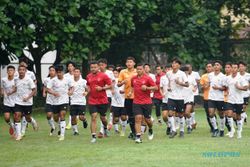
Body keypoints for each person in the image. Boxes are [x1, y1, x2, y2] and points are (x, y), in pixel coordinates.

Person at [86, 61, 112, 143]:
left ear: (98, 68)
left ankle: (105, 127)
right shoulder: (88, 76)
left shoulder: (104, 76)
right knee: (93, 117)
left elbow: (111, 85)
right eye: (91, 67)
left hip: (102, 100)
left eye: (95, 67)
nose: (93, 69)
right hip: (92, 100)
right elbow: (88, 85)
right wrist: (87, 91)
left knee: (103, 118)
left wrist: (102, 88)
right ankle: (93, 136)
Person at [131, 63, 157, 143]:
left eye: (140, 69)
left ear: (143, 70)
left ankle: (150, 128)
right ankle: (138, 137)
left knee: (147, 120)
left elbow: (156, 87)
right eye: (137, 69)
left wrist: (147, 88)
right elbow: (133, 87)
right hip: (136, 102)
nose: (138, 71)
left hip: (147, 102)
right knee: (138, 118)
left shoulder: (148, 78)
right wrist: (130, 92)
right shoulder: (133, 78)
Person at [47, 65, 73, 141]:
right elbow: (48, 89)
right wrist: (53, 93)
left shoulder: (67, 79)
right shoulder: (53, 80)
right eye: (57, 72)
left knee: (62, 115)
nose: (59, 74)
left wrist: (71, 91)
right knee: (55, 118)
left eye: (60, 72)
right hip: (55, 102)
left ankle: (62, 135)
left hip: (64, 101)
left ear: (63, 72)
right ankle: (60, 125)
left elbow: (72, 87)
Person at [223, 63, 248, 139]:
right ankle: (232, 129)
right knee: (229, 114)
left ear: (237, 69)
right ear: (231, 69)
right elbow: (225, 86)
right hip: (230, 100)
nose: (233, 69)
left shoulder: (241, 78)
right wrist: (226, 91)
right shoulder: (227, 78)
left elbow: (246, 88)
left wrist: (239, 87)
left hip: (239, 100)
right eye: (232, 67)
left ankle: (239, 131)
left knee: (238, 116)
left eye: (235, 67)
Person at [13, 65, 38, 141]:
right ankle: (19, 135)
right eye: (20, 70)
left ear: (25, 71)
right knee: (17, 116)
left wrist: (27, 97)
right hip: (18, 101)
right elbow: (16, 88)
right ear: (18, 71)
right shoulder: (16, 79)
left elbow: (34, 90)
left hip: (28, 102)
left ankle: (32, 121)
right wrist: (11, 91)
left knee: (27, 118)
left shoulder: (29, 79)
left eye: (23, 70)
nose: (21, 71)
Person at [166, 58, 189, 138]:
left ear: (179, 65)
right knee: (170, 113)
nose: (173, 65)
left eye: (175, 63)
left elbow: (187, 84)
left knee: (180, 115)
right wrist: (169, 87)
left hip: (180, 97)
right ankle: (174, 130)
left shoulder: (182, 74)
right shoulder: (168, 73)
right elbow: (169, 81)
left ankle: (182, 130)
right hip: (171, 96)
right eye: (172, 63)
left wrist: (179, 83)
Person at [118, 57, 137, 139]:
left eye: (131, 62)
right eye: (128, 62)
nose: (129, 63)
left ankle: (137, 131)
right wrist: (123, 82)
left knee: (137, 115)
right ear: (126, 64)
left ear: (134, 64)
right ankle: (134, 132)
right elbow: (118, 84)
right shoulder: (123, 72)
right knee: (130, 116)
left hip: (137, 97)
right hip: (128, 97)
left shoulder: (138, 71)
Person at [207, 60, 226, 137]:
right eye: (215, 65)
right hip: (211, 97)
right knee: (211, 113)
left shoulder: (223, 76)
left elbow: (225, 88)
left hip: (220, 98)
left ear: (221, 67)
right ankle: (215, 129)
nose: (215, 66)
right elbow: (208, 84)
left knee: (221, 114)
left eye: (217, 65)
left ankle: (222, 130)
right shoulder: (210, 75)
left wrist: (218, 88)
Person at [97, 58, 115, 138]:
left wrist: (112, 89)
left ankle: (102, 131)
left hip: (108, 95)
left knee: (103, 114)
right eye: (99, 65)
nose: (101, 66)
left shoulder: (109, 73)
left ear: (105, 65)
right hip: (99, 96)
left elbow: (113, 82)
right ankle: (105, 128)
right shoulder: (96, 73)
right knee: (101, 114)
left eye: (102, 65)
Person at [69, 67, 88, 135]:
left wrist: (86, 92)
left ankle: (84, 120)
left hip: (81, 102)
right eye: (75, 72)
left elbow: (88, 89)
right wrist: (70, 92)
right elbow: (68, 91)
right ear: (73, 73)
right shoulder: (70, 82)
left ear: (80, 73)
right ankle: (75, 131)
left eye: (78, 72)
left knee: (81, 117)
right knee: (73, 117)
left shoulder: (83, 81)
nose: (76, 73)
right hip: (73, 102)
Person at [1, 65, 16, 137]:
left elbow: (17, 89)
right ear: (7, 72)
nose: (10, 71)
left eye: (11, 70)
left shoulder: (16, 80)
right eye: (9, 70)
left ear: (14, 72)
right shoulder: (3, 80)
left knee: (16, 118)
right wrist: (1, 93)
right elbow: (2, 88)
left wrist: (12, 91)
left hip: (15, 101)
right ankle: (12, 125)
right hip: (6, 101)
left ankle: (16, 132)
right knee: (6, 118)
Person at [111, 69, 127, 136]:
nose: (115, 74)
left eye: (116, 73)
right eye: (114, 73)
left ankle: (123, 130)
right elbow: (110, 87)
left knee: (123, 117)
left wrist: (124, 91)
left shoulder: (125, 80)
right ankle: (116, 129)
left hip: (123, 102)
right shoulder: (112, 81)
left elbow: (129, 88)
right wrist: (112, 89)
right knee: (116, 119)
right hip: (115, 102)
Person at [182, 65, 197, 134]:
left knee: (187, 112)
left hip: (190, 97)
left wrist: (194, 88)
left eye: (186, 71)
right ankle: (190, 125)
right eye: (184, 71)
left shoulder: (192, 78)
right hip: (182, 97)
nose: (185, 72)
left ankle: (189, 126)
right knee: (184, 114)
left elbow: (195, 85)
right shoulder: (180, 78)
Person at [200, 62, 214, 132]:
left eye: (210, 66)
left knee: (218, 113)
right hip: (206, 97)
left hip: (216, 97)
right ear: (206, 68)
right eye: (207, 67)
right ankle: (212, 127)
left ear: (213, 67)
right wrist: (205, 86)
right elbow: (201, 88)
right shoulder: (203, 76)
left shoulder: (216, 76)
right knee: (208, 113)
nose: (209, 68)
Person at [43, 66, 57, 136]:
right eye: (50, 70)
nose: (51, 72)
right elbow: (45, 87)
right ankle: (53, 127)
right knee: (48, 115)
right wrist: (44, 92)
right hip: (49, 100)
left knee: (56, 116)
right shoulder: (46, 79)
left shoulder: (58, 79)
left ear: (56, 71)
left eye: (53, 70)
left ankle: (60, 128)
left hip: (57, 101)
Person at [65, 61, 76, 130]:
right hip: (69, 94)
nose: (70, 67)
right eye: (69, 66)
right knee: (71, 108)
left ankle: (72, 121)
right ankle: (70, 123)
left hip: (77, 94)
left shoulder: (77, 74)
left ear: (74, 67)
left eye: (71, 66)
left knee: (75, 109)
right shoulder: (65, 75)